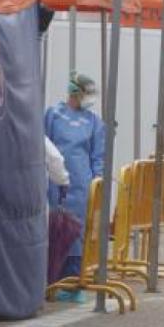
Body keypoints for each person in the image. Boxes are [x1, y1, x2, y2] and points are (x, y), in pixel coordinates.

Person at [44, 72, 105, 302]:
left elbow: (98, 156)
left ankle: (74, 282)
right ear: (75, 92)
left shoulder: (94, 122)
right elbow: (43, 144)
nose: (89, 99)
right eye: (87, 94)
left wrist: (97, 184)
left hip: (81, 186)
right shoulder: (53, 115)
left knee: (76, 232)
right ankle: (53, 280)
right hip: (54, 183)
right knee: (54, 230)